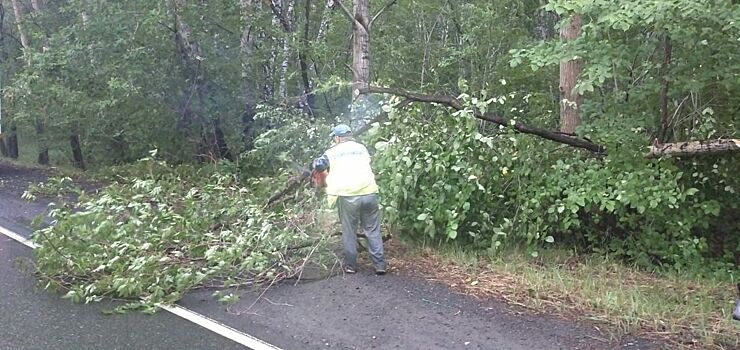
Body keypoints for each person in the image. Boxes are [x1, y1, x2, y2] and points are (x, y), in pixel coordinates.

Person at [312, 124, 386, 275]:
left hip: (348, 195)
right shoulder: (362, 148)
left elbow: (319, 165)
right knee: (372, 230)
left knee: (349, 231)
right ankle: (380, 265)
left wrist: (316, 167)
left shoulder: (332, 152)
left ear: (338, 138)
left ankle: (351, 266)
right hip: (369, 192)